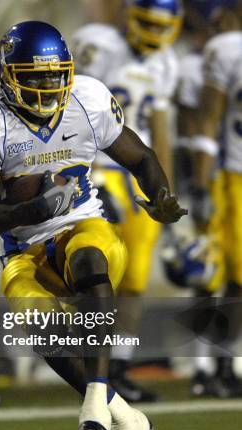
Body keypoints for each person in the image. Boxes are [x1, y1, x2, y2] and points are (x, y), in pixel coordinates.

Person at [0, 21, 186, 430]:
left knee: (90, 260)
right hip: (25, 248)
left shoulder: (89, 98)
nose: (48, 84)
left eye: (55, 74)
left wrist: (160, 197)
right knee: (41, 328)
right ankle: (125, 416)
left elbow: (142, 157)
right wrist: (31, 212)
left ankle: (96, 403)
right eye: (35, 75)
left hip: (85, 224)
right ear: (7, 74)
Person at [71, 0, 182, 403]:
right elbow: (72, 109)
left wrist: (165, 189)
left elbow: (159, 129)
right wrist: (86, 173)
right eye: (147, 23)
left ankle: (119, 366)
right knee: (96, 273)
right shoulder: (97, 44)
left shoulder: (167, 62)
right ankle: (83, 364)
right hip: (99, 166)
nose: (153, 34)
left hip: (137, 172)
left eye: (161, 25)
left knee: (134, 279)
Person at [191, 5, 242, 397]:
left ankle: (226, 363)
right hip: (233, 175)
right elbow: (208, 119)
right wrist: (203, 181)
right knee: (216, 270)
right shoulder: (228, 46)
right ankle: (209, 363)